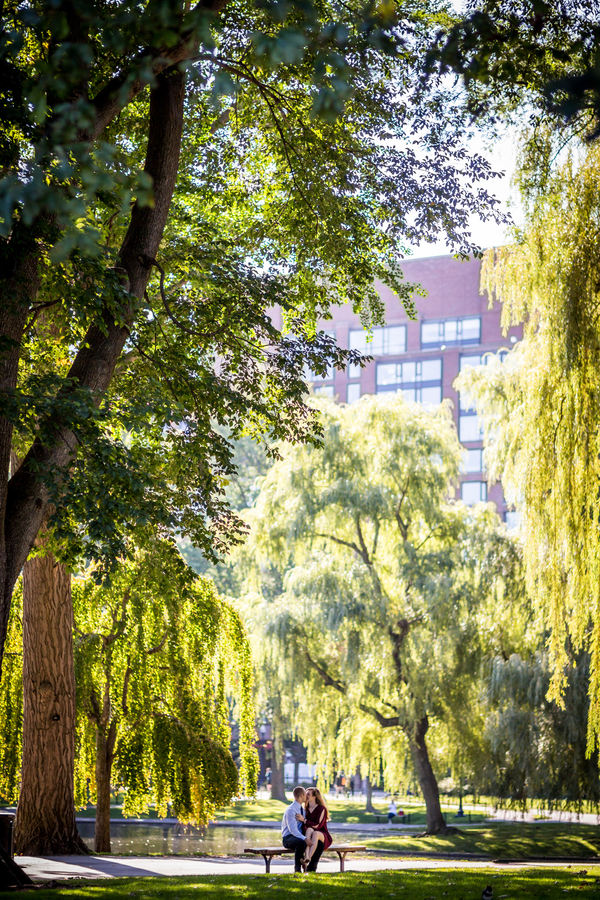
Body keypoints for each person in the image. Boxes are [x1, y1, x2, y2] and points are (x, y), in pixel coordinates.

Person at [296, 787, 332, 871]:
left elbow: (317, 826)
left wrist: (304, 820)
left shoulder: (321, 809)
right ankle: (307, 857)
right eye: (306, 794)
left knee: (315, 833)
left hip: (322, 833)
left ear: (314, 797)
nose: (306, 796)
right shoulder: (305, 809)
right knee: (309, 830)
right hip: (310, 833)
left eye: (308, 794)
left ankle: (308, 857)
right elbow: (307, 827)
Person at [282, 786, 308, 873]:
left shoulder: (302, 810)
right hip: (288, 838)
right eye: (305, 795)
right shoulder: (291, 810)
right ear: (301, 795)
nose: (306, 797)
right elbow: (292, 830)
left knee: (316, 843)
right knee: (301, 843)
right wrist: (305, 838)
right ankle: (297, 869)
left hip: (297, 836)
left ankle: (310, 868)